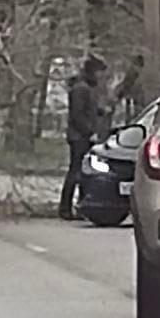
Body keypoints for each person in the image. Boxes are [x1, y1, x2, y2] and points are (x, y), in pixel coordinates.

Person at [58, 54, 108, 220]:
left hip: (82, 135)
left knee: (83, 172)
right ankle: (65, 208)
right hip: (79, 137)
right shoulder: (81, 88)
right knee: (76, 172)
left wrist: (100, 112)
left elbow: (86, 110)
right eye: (100, 72)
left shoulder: (87, 88)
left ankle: (80, 206)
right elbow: (77, 115)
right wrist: (89, 132)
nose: (102, 77)